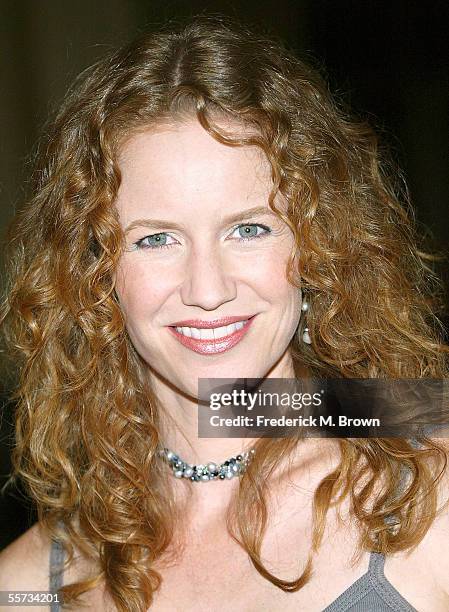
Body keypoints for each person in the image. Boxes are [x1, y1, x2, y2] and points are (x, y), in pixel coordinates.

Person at [0, 15, 448, 612]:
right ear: (94, 276)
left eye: (249, 228)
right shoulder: (30, 586)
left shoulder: (431, 500)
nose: (207, 289)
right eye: (155, 239)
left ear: (319, 246)